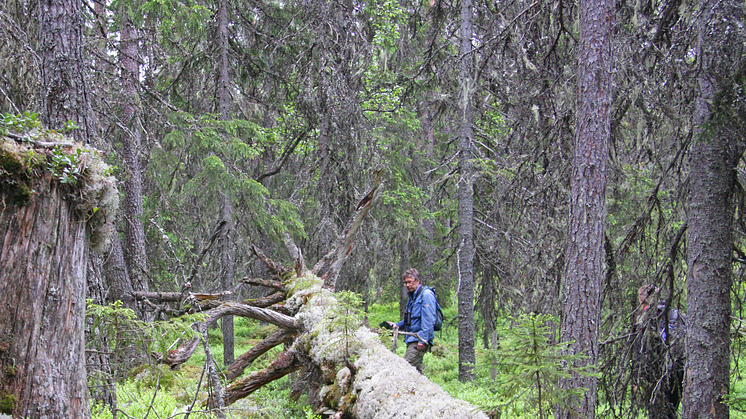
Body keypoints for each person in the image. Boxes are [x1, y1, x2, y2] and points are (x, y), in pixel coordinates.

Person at [631, 285, 686, 419]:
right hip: (679, 370)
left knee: (656, 412)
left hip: (656, 373)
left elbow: (640, 349)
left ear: (641, 299)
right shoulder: (676, 314)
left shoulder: (645, 317)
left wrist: (636, 378)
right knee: (671, 411)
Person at [384, 268, 437, 373]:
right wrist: (397, 325)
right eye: (406, 283)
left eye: (410, 282)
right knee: (417, 374)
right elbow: (410, 319)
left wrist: (422, 340)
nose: (408, 285)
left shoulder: (426, 295)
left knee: (404, 370)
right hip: (411, 339)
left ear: (418, 281)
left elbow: (429, 320)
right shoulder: (413, 297)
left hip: (418, 340)